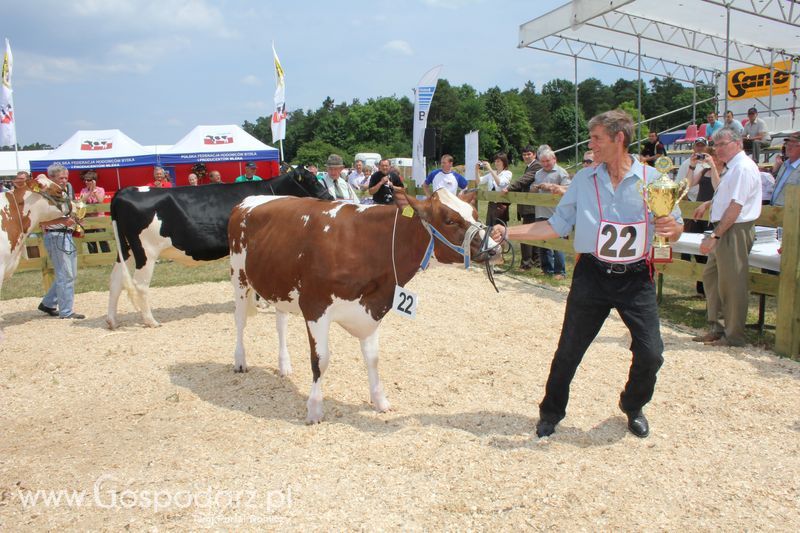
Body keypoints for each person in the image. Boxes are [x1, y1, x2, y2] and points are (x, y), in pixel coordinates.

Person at [491, 109, 683, 439]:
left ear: (618, 139)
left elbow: (675, 229)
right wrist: (508, 232)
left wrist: (673, 226)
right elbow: (555, 225)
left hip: (636, 279)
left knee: (651, 352)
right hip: (591, 275)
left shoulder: (655, 182)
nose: (590, 144)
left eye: (596, 138)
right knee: (569, 350)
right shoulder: (583, 180)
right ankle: (551, 411)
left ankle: (633, 404)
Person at [691, 127, 762, 347]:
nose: (718, 149)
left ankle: (734, 336)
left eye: (723, 144)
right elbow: (727, 195)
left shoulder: (743, 168)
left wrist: (715, 235)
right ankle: (717, 327)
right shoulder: (733, 168)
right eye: (716, 144)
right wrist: (708, 203)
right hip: (725, 228)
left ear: (738, 143)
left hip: (733, 230)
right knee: (712, 278)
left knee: (732, 283)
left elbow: (737, 205)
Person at [38, 164, 85, 320]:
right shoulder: (45, 195)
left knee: (69, 273)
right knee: (66, 274)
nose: (65, 181)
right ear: (51, 178)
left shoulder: (63, 192)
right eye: (61, 178)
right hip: (56, 235)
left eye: (66, 177)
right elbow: (41, 221)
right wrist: (63, 221)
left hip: (66, 234)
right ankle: (66, 311)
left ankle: (48, 303)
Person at [681, 145, 721, 295]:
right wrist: (692, 166)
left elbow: (719, 188)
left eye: (713, 156)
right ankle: (701, 286)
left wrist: (714, 167)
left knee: (710, 253)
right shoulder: (704, 171)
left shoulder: (725, 172)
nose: (712, 159)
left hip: (712, 215)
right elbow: (688, 184)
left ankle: (708, 288)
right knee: (698, 251)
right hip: (699, 214)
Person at [531, 148, 571, 280]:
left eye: (547, 161)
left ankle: (560, 271)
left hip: (557, 213)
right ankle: (547, 269)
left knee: (557, 243)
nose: (545, 164)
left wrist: (551, 187)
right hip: (541, 211)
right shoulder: (538, 173)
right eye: (542, 161)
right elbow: (534, 189)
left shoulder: (561, 172)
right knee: (543, 241)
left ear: (554, 159)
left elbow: (568, 189)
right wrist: (534, 188)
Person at [504, 145, 543, 270]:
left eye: (529, 154)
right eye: (524, 155)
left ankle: (526, 264)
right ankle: (536, 261)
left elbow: (525, 180)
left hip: (531, 206)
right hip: (529, 206)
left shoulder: (536, 166)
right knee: (533, 233)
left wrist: (509, 188)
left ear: (534, 155)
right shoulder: (529, 166)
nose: (526, 156)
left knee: (526, 233)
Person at [475, 152, 512, 226]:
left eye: (498, 161)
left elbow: (500, 183)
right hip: (491, 203)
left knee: (499, 227)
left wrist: (490, 169)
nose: (496, 163)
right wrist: (476, 170)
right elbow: (479, 181)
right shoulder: (492, 173)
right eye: (495, 161)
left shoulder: (507, 173)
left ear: (504, 162)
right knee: (489, 226)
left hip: (501, 204)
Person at [78, 169, 110, 253]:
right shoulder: (83, 190)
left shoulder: (100, 189)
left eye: (88, 180)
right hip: (88, 219)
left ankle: (106, 255)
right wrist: (90, 191)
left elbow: (100, 200)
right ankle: (93, 256)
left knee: (102, 238)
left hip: (99, 218)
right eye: (85, 180)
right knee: (90, 240)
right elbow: (82, 201)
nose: (86, 182)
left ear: (93, 181)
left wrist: (94, 190)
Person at [769, 131, 800, 206]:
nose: (789, 147)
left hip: (791, 213)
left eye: (794, 144)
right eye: (787, 144)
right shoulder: (784, 165)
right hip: (776, 211)